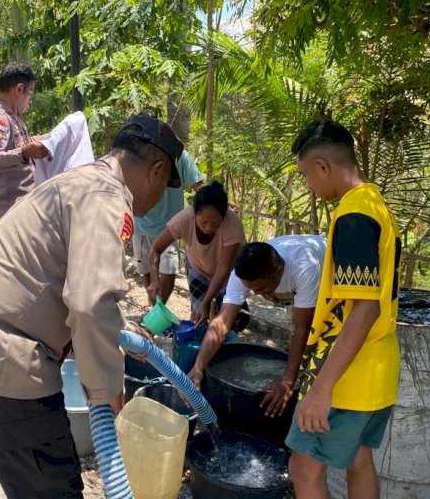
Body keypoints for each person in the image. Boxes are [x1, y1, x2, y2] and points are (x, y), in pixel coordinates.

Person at [0, 113, 182, 499]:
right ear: (156, 171)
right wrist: (107, 394)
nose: (159, 202)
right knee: (48, 476)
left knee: (42, 470)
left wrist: (111, 340)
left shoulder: (82, 180)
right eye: (165, 189)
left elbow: (69, 283)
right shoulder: (107, 196)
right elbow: (91, 303)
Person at [286, 120, 402, 499]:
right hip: (378, 372)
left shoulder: (352, 215)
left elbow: (364, 309)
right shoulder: (376, 204)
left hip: (347, 378)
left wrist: (321, 389)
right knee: (358, 461)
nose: (308, 185)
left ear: (322, 166)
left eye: (304, 175)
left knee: (304, 470)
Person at [188, 235, 327, 418]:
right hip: (295, 289)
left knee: (319, 347)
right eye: (250, 289)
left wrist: (286, 382)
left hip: (328, 279)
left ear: (278, 271)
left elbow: (303, 330)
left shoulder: (304, 268)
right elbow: (222, 322)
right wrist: (198, 367)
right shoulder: (242, 273)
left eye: (260, 289)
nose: (255, 293)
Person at [148, 181, 245, 326]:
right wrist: (155, 280)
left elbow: (223, 270)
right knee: (198, 312)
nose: (208, 228)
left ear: (223, 216)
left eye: (215, 224)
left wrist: (206, 302)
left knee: (230, 318)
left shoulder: (232, 225)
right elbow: (155, 250)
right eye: (203, 222)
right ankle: (196, 343)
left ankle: (226, 344)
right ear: (194, 213)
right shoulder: (183, 220)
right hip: (197, 266)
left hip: (227, 272)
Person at [0, 62, 48, 224]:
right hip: (10, 214)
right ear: (19, 89)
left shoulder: (13, 118)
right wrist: (22, 154)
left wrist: (55, 135)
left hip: (21, 209)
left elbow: (24, 143)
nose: (30, 101)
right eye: (30, 94)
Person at [133, 149, 203, 307]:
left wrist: (219, 200)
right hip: (140, 225)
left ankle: (158, 311)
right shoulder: (137, 152)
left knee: (169, 273)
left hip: (169, 228)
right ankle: (153, 310)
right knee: (146, 271)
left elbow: (198, 185)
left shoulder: (180, 155)